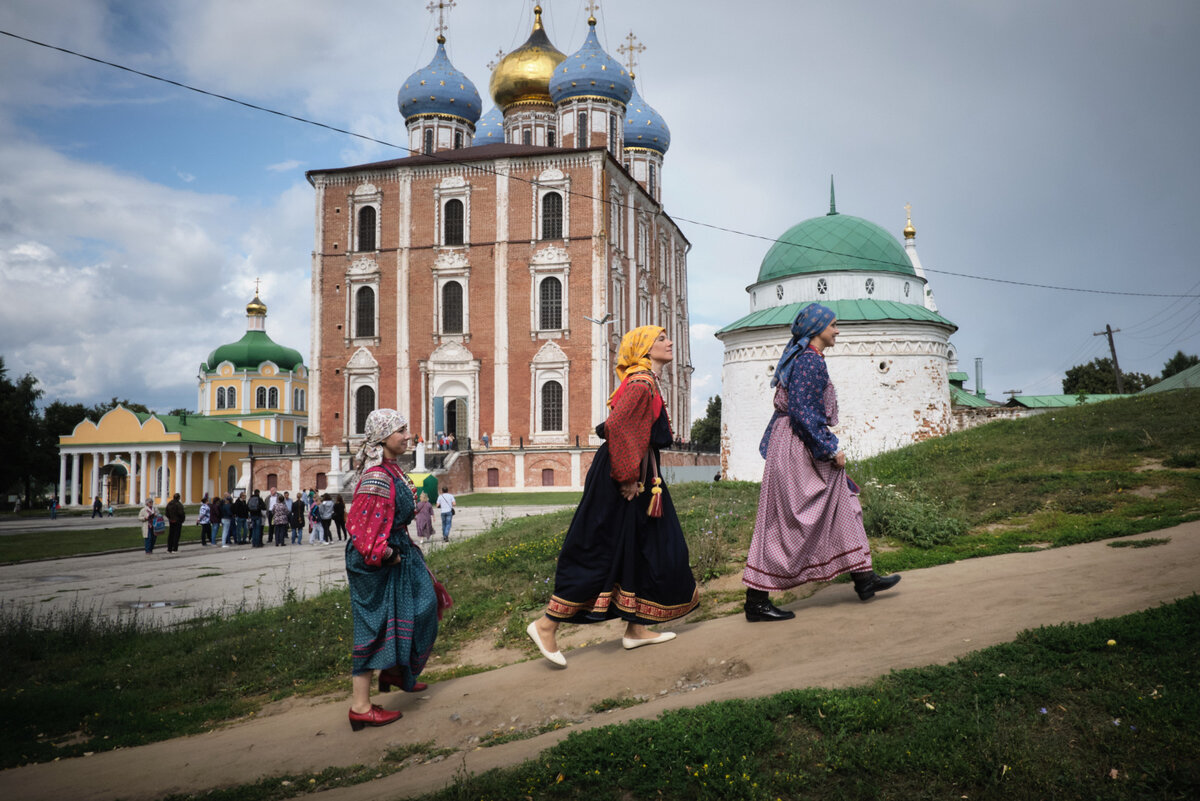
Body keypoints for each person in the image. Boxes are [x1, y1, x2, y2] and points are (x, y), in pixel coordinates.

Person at [527, 326, 699, 667]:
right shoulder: (641, 383)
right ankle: (546, 625)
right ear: (646, 349)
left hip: (641, 475)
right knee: (601, 548)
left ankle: (636, 629)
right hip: (626, 477)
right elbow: (618, 427)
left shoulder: (644, 381)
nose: (670, 342)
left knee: (643, 548)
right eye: (662, 338)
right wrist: (626, 478)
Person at [742, 304, 900, 622]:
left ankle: (864, 578)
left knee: (846, 504)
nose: (837, 330)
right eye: (833, 325)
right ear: (817, 328)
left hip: (798, 442)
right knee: (783, 521)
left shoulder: (811, 360)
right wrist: (829, 449)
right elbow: (803, 413)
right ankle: (756, 600)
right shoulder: (809, 363)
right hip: (798, 446)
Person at [344, 409, 440, 730]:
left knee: (425, 606)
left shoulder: (392, 469)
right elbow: (362, 529)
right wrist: (386, 555)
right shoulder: (376, 477)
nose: (407, 435)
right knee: (375, 628)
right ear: (383, 437)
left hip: (399, 550)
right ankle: (360, 706)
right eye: (400, 430)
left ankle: (399, 671)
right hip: (379, 560)